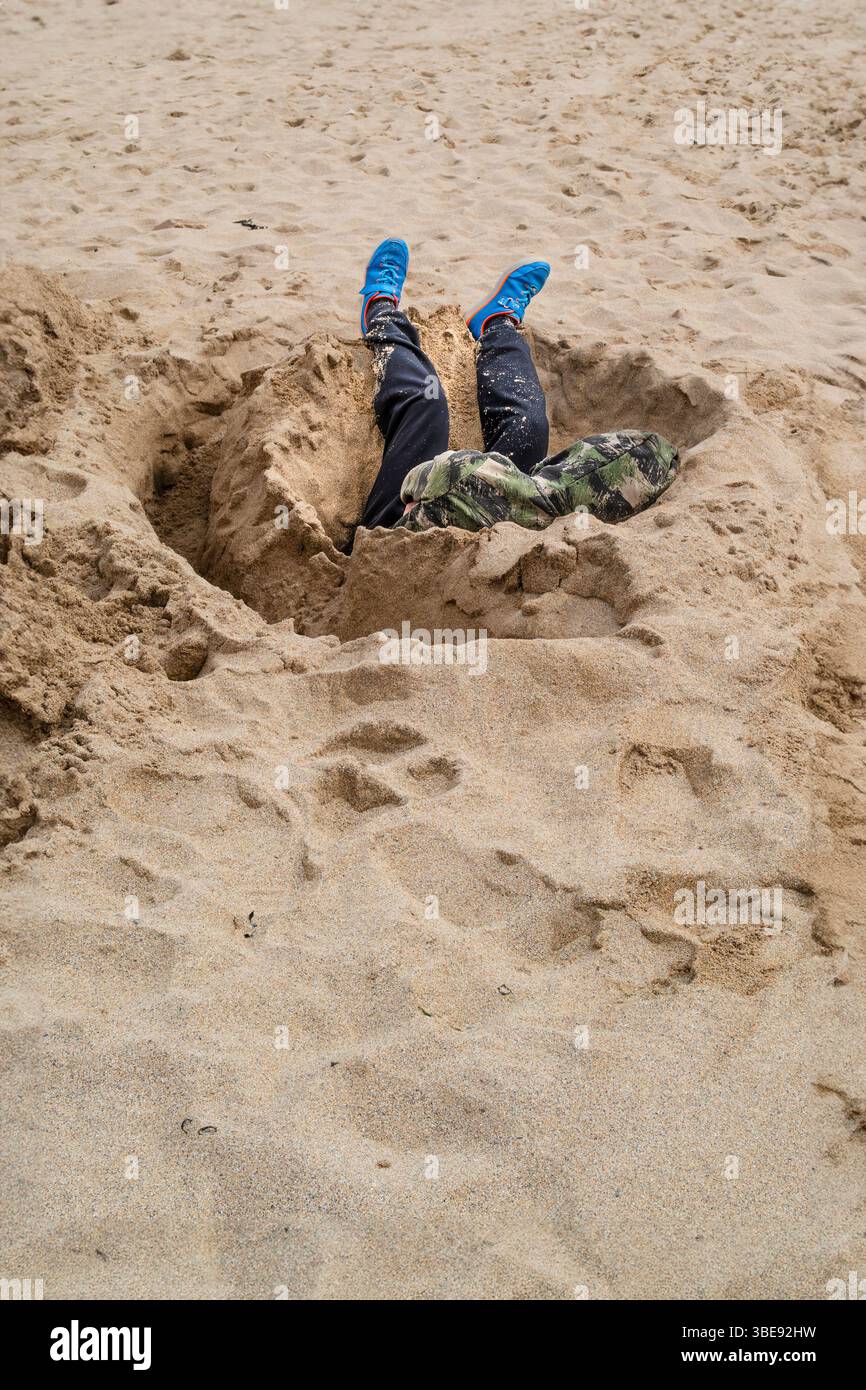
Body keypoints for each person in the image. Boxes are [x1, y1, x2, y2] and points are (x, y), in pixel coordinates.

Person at [358, 238, 678, 536]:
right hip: (509, 509)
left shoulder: (474, 485)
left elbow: (429, 477)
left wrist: (417, 497)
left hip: (397, 531)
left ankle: (381, 312)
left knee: (426, 404)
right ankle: (495, 323)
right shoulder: (544, 492)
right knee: (529, 425)